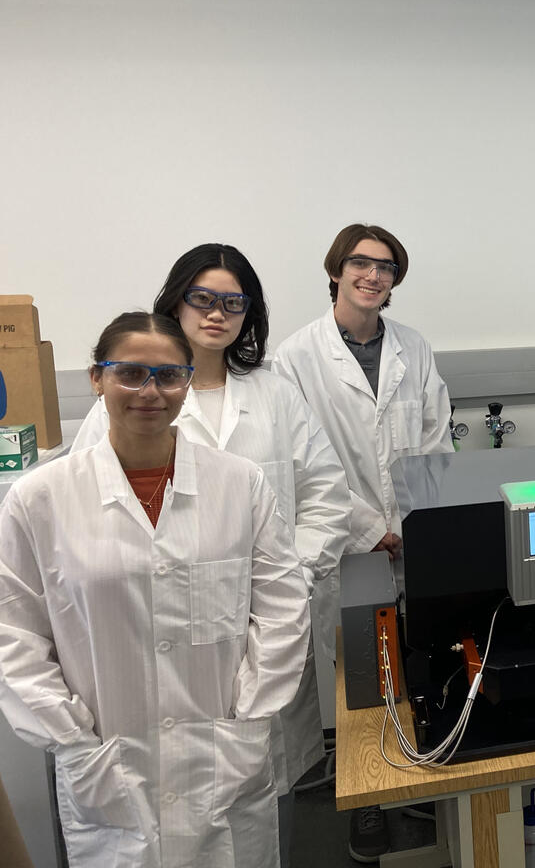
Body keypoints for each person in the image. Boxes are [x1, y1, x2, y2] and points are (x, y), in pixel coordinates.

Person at [71, 245, 352, 867]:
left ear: (247, 313)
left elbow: (327, 495)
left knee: (264, 790)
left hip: (262, 626)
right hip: (157, 631)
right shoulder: (129, 394)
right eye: (202, 298)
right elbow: (87, 513)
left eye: (233, 302)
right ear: (176, 300)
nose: (217, 314)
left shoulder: (274, 393)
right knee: (162, 804)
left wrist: (287, 578)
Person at [0, 312, 309, 868]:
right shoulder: (39, 498)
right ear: (97, 378)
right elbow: (13, 632)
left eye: (168, 376)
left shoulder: (239, 484)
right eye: (131, 373)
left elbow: (284, 609)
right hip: (106, 755)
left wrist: (250, 715)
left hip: (222, 750)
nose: (150, 391)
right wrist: (69, 735)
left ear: (187, 383)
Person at [273, 223, 453, 862]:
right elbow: (301, 461)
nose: (372, 276)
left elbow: (436, 440)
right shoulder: (295, 357)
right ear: (336, 271)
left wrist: (417, 526)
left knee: (422, 661)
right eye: (360, 264)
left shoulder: (414, 348)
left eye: (385, 267)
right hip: (346, 547)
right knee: (363, 679)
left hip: (414, 539)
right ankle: (370, 805)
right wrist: (368, 528)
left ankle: (426, 780)